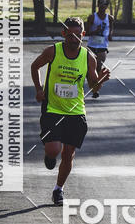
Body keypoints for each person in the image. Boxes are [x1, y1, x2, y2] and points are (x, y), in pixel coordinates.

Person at [31, 17, 110, 206]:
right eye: (70, 35)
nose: (74, 39)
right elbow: (35, 67)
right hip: (53, 108)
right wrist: (39, 89)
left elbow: (94, 87)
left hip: (76, 112)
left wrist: (100, 82)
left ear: (83, 35)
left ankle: (58, 190)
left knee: (68, 154)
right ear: (64, 34)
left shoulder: (88, 57)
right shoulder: (53, 51)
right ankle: (50, 155)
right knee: (54, 149)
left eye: (78, 35)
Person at [86, 0, 113, 99]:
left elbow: (111, 28)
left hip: (102, 47)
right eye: (101, 4)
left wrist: (110, 35)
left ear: (107, 6)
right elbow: (87, 32)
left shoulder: (110, 18)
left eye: (105, 4)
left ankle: (95, 90)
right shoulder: (92, 17)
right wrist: (95, 31)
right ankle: (92, 87)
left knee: (98, 68)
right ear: (98, 5)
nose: (103, 6)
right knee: (90, 69)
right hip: (92, 46)